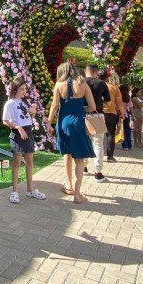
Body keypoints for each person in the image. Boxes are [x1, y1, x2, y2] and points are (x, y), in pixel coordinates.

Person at [46, 63, 95, 203]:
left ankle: (68, 185)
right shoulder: (83, 84)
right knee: (79, 159)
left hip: (63, 123)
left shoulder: (58, 84)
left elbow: (55, 105)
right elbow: (92, 107)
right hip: (78, 122)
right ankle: (78, 195)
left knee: (67, 153)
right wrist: (80, 108)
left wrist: (49, 122)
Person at [2, 77, 46, 204]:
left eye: (25, 89)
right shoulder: (10, 103)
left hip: (28, 132)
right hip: (17, 133)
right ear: (15, 89)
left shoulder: (26, 102)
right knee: (16, 162)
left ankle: (30, 190)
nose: (24, 92)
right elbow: (5, 121)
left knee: (30, 162)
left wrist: (33, 111)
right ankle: (14, 192)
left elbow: (30, 117)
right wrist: (17, 127)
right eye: (21, 89)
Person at [84, 64, 110, 182]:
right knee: (98, 143)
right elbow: (108, 101)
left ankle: (83, 167)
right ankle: (98, 172)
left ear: (86, 71)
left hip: (83, 115)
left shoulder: (80, 82)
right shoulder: (101, 83)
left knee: (85, 141)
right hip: (97, 114)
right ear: (96, 72)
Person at [99, 69, 124, 162]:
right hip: (111, 113)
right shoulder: (114, 87)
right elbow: (119, 102)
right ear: (108, 77)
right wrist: (122, 113)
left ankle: (98, 155)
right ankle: (110, 156)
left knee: (97, 135)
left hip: (97, 113)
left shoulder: (94, 86)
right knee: (110, 134)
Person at [119, 84, 133, 150]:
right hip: (127, 114)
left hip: (120, 114)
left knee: (122, 130)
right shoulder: (128, 97)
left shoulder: (119, 96)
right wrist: (132, 115)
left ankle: (125, 146)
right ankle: (129, 144)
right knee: (128, 129)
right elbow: (131, 107)